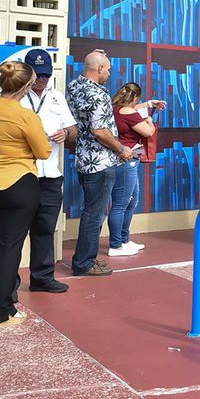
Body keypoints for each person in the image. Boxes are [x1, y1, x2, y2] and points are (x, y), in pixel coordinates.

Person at [0, 61, 51, 327]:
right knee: (9, 247)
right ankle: (3, 313)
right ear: (25, 87)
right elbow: (43, 152)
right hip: (16, 185)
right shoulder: (26, 116)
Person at [67, 49, 133, 277]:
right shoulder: (98, 94)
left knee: (91, 211)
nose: (110, 74)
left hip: (83, 159)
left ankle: (85, 258)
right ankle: (84, 262)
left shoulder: (74, 86)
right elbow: (100, 131)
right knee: (95, 214)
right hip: (100, 162)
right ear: (99, 69)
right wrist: (121, 148)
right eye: (108, 69)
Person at [16, 49, 77, 294]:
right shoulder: (16, 96)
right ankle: (9, 284)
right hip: (21, 174)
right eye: (37, 75)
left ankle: (42, 277)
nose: (42, 80)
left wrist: (66, 134)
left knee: (45, 228)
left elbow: (73, 130)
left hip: (50, 174)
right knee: (16, 231)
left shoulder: (57, 97)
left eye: (46, 75)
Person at [109, 82, 166, 256]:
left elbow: (133, 107)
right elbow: (148, 132)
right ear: (134, 98)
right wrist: (149, 121)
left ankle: (123, 240)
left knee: (131, 201)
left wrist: (149, 104)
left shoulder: (117, 108)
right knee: (121, 204)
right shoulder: (131, 114)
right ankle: (116, 244)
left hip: (128, 160)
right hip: (127, 161)